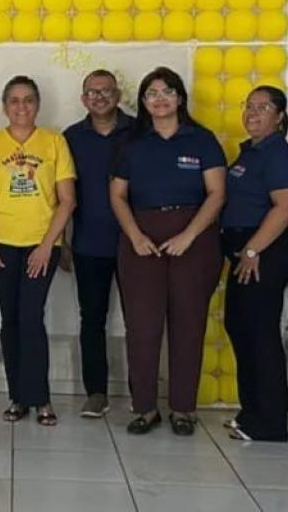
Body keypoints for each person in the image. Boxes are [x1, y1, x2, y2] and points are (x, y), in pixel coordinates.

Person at [110, 66, 225, 436]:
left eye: (167, 91)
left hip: (194, 241)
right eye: (151, 93)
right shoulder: (132, 142)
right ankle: (144, 408)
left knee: (188, 325)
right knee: (142, 327)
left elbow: (217, 194)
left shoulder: (202, 140)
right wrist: (135, 236)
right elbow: (117, 195)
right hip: (141, 242)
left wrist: (189, 235)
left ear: (179, 98)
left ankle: (183, 409)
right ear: (143, 102)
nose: (160, 99)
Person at [0, 75, 76, 426]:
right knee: (10, 320)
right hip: (1, 245)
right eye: (14, 100)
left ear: (37, 105)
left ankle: (41, 398)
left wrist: (48, 246)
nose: (21, 107)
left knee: (32, 318)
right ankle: (17, 396)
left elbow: (67, 200)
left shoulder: (54, 142)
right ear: (4, 106)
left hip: (40, 245)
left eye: (28, 100)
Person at [220, 86, 288, 441]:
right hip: (244, 251)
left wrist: (253, 250)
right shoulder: (250, 152)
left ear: (279, 115)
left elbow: (285, 206)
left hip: (263, 252)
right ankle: (251, 411)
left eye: (262, 107)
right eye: (248, 106)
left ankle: (270, 422)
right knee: (240, 327)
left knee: (260, 333)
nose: (253, 113)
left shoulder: (278, 155)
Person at [62, 69, 133, 418]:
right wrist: (62, 241)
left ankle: (143, 394)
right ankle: (96, 392)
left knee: (141, 320)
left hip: (137, 242)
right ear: (83, 98)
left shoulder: (139, 132)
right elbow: (58, 195)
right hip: (88, 244)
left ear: (118, 95)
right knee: (92, 319)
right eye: (92, 91)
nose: (99, 97)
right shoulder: (70, 138)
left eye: (106, 91)